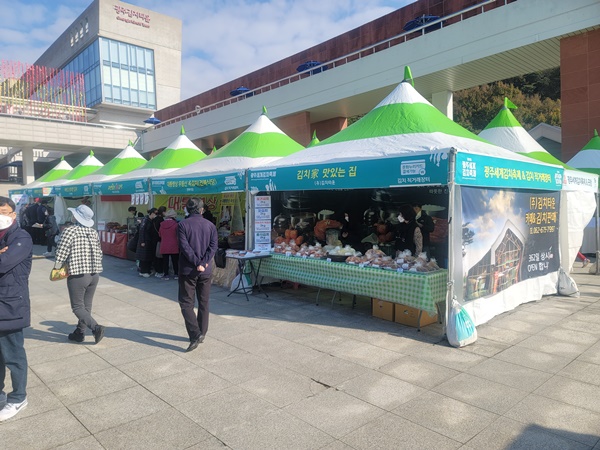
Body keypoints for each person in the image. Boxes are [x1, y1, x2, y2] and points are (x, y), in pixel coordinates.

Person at [0, 196, 33, 422]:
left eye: (3, 211)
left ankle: (18, 398)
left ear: (13, 214)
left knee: (13, 355)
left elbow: (3, 263)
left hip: (11, 304)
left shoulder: (21, 236)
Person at [53, 204, 105, 344]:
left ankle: (96, 328)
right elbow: (100, 252)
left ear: (76, 217)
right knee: (86, 306)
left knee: (77, 307)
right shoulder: (93, 232)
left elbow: (61, 253)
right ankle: (79, 333)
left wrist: (57, 267)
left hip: (78, 274)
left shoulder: (70, 231)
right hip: (94, 274)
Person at [177, 198, 218, 352]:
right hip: (205, 270)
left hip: (188, 270)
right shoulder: (211, 225)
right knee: (204, 302)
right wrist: (204, 262)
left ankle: (195, 333)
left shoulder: (182, 225)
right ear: (202, 210)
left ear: (187, 209)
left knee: (186, 303)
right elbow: (213, 246)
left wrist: (196, 262)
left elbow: (184, 247)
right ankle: (202, 332)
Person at [136, 208, 158, 277]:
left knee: (148, 257)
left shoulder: (150, 220)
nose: (156, 215)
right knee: (144, 257)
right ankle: (143, 271)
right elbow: (142, 230)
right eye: (155, 214)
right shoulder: (145, 220)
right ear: (152, 213)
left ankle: (147, 271)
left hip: (149, 241)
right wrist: (142, 241)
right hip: (144, 241)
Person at [159, 209, 179, 280]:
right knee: (175, 261)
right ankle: (176, 274)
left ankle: (166, 274)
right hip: (174, 244)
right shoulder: (176, 225)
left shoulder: (161, 224)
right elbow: (178, 235)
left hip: (164, 244)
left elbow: (160, 234)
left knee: (165, 261)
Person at [152, 206, 166, 277]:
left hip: (153, 239)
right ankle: (160, 270)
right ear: (163, 212)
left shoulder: (154, 219)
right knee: (160, 256)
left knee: (156, 256)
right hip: (159, 240)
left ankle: (156, 270)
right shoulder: (161, 220)